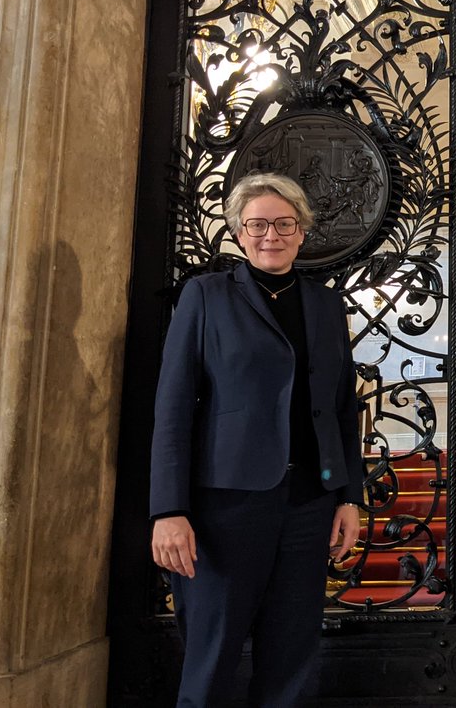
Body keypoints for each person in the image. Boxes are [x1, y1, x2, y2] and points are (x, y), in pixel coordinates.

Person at [150, 172, 364, 707]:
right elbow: (173, 410)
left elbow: (342, 408)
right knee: (212, 653)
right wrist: (169, 510)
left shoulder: (326, 306)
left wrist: (348, 496)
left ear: (302, 231)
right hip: (224, 508)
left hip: (309, 505)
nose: (272, 235)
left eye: (285, 224)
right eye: (258, 225)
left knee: (291, 658)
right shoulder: (206, 297)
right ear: (239, 234)